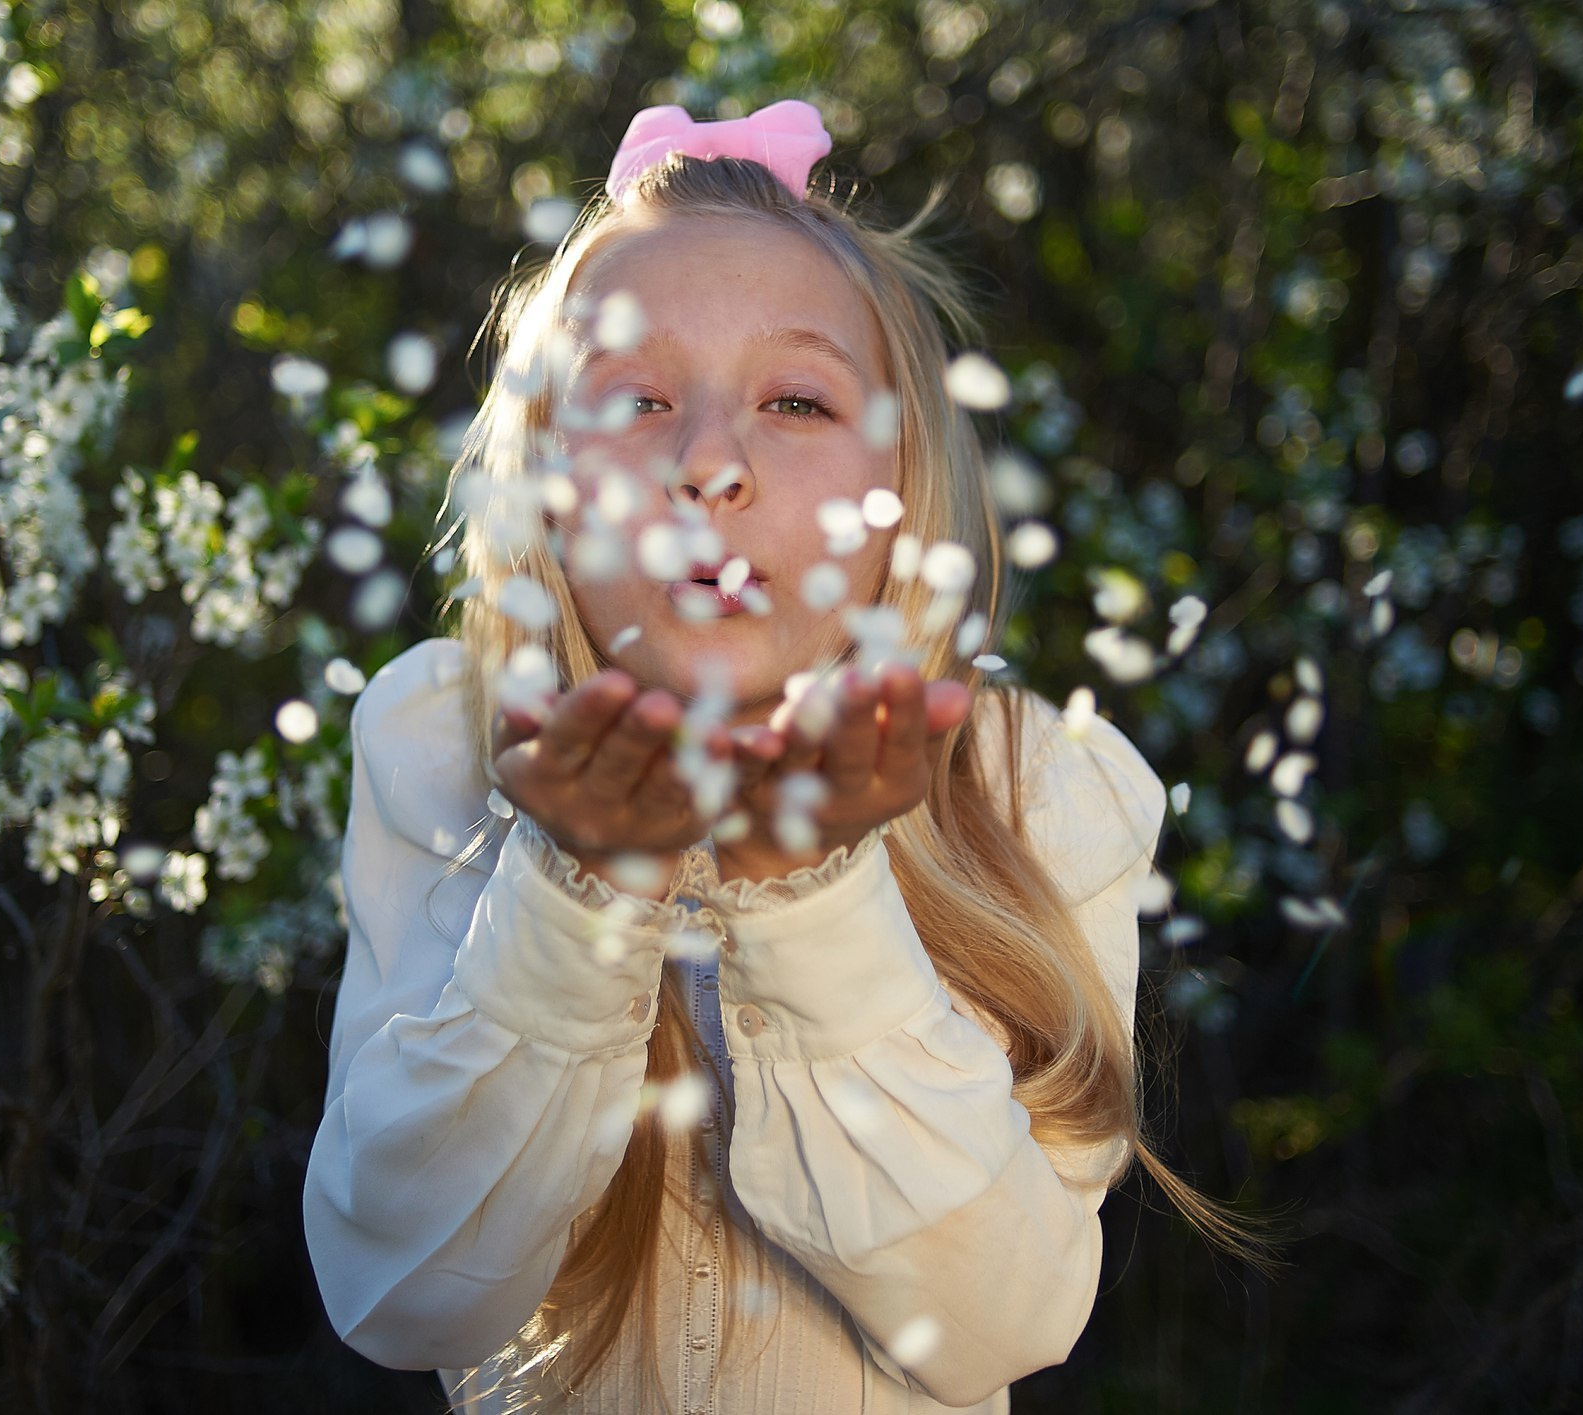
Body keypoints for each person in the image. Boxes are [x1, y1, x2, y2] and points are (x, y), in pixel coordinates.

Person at [304, 99, 1275, 1413]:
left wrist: (813, 898)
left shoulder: (1036, 787)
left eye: (798, 400)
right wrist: (568, 895)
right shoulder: (440, 745)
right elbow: (400, 1293)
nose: (709, 462)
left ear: (903, 495)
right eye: (638, 397)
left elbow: (1001, 1326)